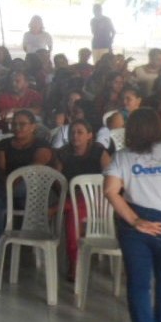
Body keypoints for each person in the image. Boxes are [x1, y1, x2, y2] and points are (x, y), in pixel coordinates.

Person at [104, 108, 161, 322]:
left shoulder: (122, 157)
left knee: (139, 287)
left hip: (137, 227)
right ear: (159, 127)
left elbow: (110, 191)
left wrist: (135, 221)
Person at [0, 110, 53, 262]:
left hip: (31, 193)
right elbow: (0, 171)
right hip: (6, 189)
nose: (17, 127)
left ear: (33, 127)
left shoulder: (42, 145)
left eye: (22, 124)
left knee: (22, 186)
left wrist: (14, 181)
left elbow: (34, 169)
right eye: (14, 124)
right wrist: (10, 184)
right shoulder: (3, 144)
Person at [54, 119, 110, 281]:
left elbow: (109, 179)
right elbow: (57, 180)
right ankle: (74, 262)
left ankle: (74, 263)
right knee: (74, 215)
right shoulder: (63, 153)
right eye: (72, 132)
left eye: (80, 132)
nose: (75, 136)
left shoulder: (99, 152)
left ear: (89, 135)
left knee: (75, 207)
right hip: (71, 197)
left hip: (97, 199)